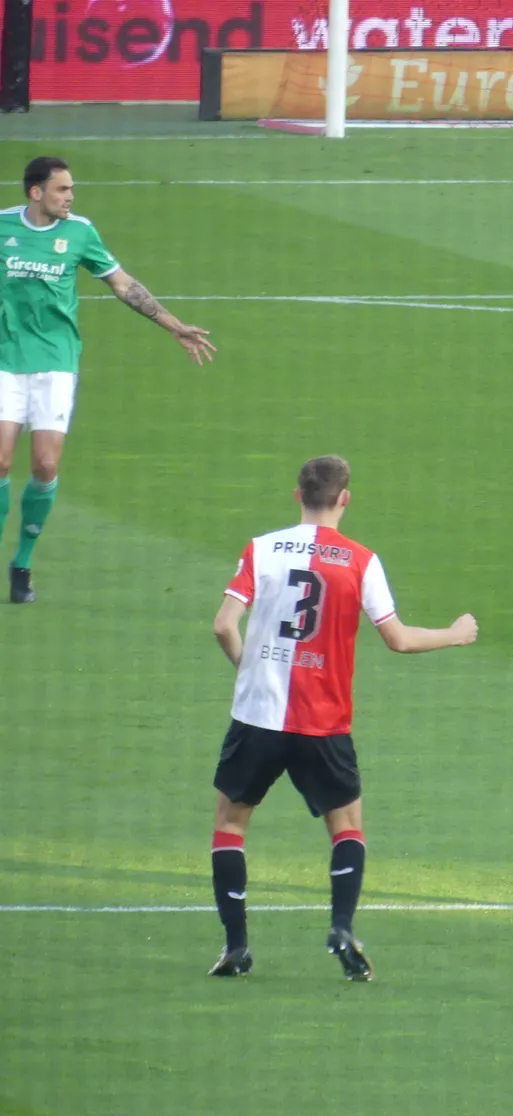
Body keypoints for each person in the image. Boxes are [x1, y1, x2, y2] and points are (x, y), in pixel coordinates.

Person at [207, 455, 478, 980]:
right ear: (345, 498)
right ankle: (341, 926)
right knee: (346, 825)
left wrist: (250, 667)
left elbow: (223, 624)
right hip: (323, 722)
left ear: (297, 495)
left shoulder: (261, 548)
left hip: (257, 715)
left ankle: (236, 947)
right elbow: (397, 639)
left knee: (230, 825)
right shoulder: (361, 560)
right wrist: (454, 632)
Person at [0, 156, 215, 604]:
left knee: (44, 466)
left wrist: (173, 325)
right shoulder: (3, 227)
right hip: (5, 360)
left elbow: (123, 285)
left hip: (56, 362)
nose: (70, 197)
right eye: (62, 189)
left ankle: (22, 562)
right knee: (0, 462)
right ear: (36, 192)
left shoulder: (80, 232)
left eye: (71, 189)